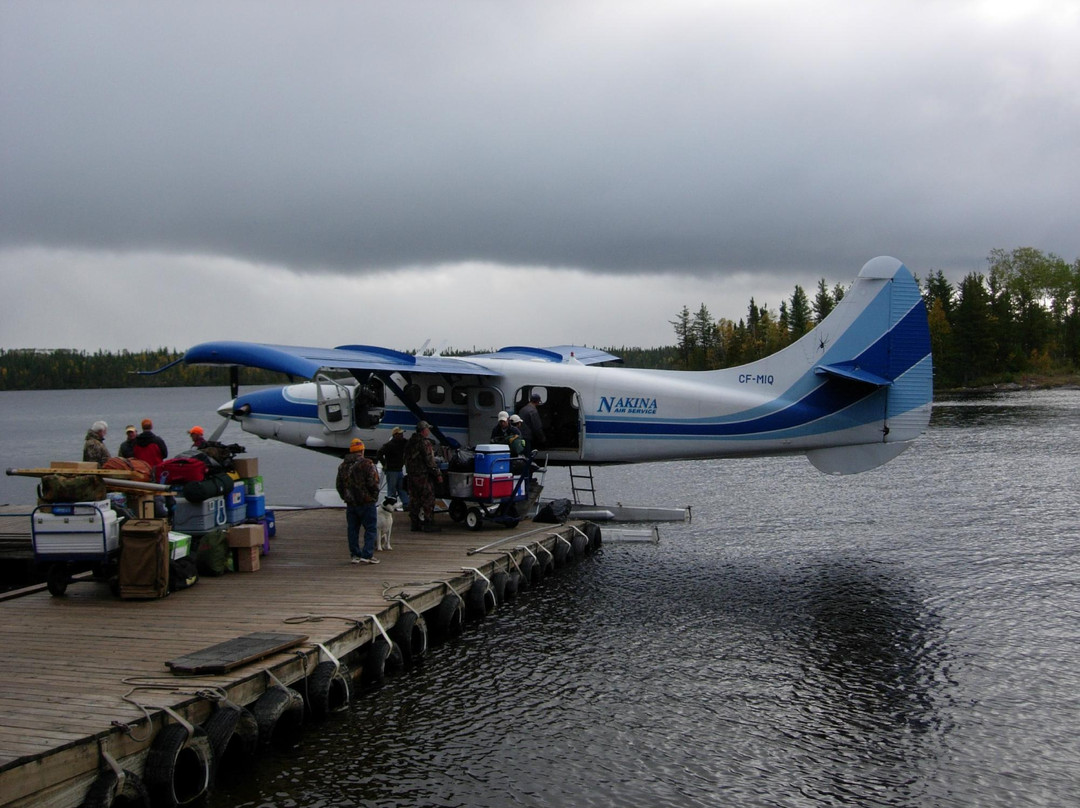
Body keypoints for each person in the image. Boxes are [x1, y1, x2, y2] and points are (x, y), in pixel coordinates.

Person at [335, 438, 381, 564]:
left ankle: (355, 555)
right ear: (362, 450)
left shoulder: (343, 466)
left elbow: (339, 485)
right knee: (370, 528)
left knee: (353, 529)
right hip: (366, 502)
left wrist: (345, 497)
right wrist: (374, 496)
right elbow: (373, 483)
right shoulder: (368, 464)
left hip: (351, 503)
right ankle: (367, 555)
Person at [404, 421, 443, 532]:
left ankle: (414, 524)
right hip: (422, 476)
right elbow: (430, 461)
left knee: (414, 499)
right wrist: (438, 474)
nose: (429, 431)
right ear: (424, 430)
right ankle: (428, 523)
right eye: (428, 429)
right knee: (428, 499)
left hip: (411, 476)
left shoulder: (410, 442)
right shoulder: (425, 443)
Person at [375, 426, 409, 507]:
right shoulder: (389, 445)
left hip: (398, 470)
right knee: (392, 490)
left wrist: (384, 464)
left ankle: (406, 504)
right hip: (392, 470)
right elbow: (379, 453)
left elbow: (379, 453)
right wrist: (385, 464)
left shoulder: (403, 442)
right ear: (395, 435)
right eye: (400, 434)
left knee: (401, 489)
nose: (402, 435)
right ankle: (392, 505)